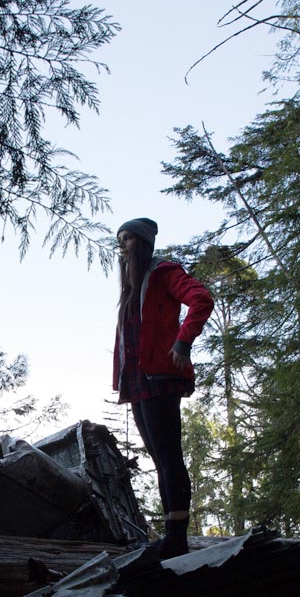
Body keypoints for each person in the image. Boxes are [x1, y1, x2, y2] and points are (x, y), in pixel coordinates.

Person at [112, 217, 214, 559]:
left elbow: (201, 299)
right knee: (159, 458)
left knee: (169, 456)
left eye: (127, 240)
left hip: (159, 376)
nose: (122, 247)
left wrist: (183, 343)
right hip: (137, 379)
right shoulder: (132, 284)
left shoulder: (164, 272)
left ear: (141, 243)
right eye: (120, 240)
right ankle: (171, 534)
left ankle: (176, 537)